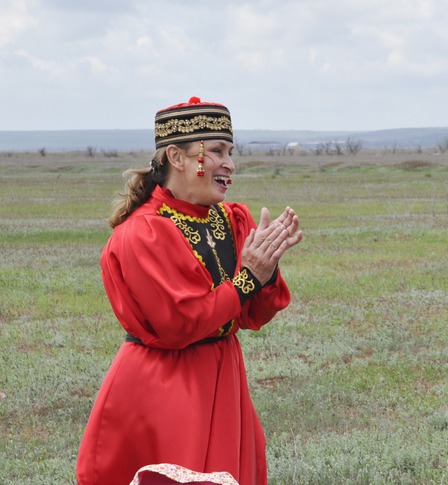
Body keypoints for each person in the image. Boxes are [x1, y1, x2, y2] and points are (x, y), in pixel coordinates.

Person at [76, 97, 303, 485]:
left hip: (223, 375)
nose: (229, 164)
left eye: (231, 152)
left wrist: (266, 267)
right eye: (216, 151)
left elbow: (254, 315)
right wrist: (248, 278)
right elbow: (180, 324)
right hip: (164, 387)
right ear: (176, 157)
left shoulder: (232, 218)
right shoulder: (142, 233)